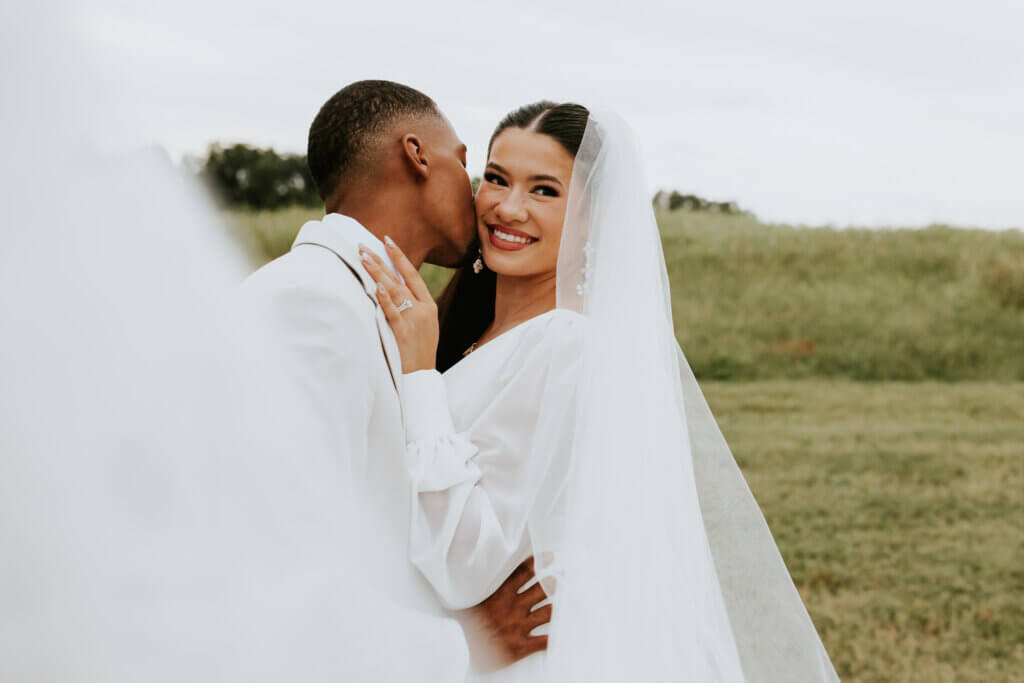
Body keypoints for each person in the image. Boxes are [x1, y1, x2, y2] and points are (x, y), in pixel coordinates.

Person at [362, 102, 841, 681]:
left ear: (596, 219)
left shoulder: (567, 346)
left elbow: (469, 563)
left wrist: (418, 377)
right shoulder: (468, 328)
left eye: (544, 190)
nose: (507, 207)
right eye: (496, 178)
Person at [240, 81, 549, 676]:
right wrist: (466, 643)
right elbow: (273, 556)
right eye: (468, 163)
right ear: (417, 154)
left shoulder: (366, 304)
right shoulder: (308, 305)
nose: (482, 193)